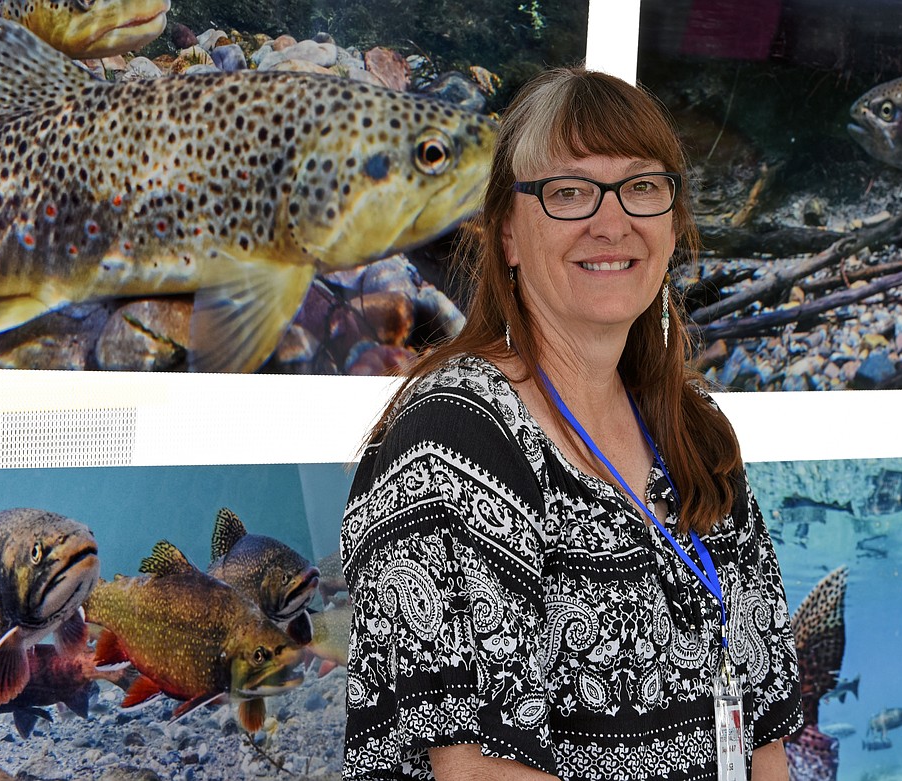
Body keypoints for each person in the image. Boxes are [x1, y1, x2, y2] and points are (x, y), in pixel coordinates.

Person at [341, 66, 802, 781]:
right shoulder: (452, 439)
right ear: (506, 237)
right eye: (569, 192)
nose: (611, 221)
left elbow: (765, 734)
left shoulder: (693, 432)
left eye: (641, 187)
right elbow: (477, 769)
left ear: (674, 223)